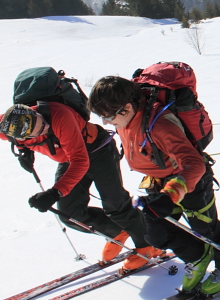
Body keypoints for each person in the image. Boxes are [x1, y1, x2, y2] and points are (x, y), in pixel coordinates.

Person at [88, 76, 220, 295]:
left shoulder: (159, 124)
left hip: (188, 182)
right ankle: (198, 257)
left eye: (109, 116)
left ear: (127, 107)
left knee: (205, 227)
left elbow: (193, 164)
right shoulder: (127, 118)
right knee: (156, 232)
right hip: (157, 182)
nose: (106, 122)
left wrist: (171, 194)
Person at [0, 103, 157, 271]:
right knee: (69, 213)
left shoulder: (59, 117)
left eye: (42, 121)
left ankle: (148, 244)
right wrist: (25, 150)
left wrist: (54, 193)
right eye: (39, 131)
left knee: (116, 205)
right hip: (69, 158)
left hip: (98, 150)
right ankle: (116, 232)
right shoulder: (8, 128)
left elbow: (81, 161)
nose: (45, 127)